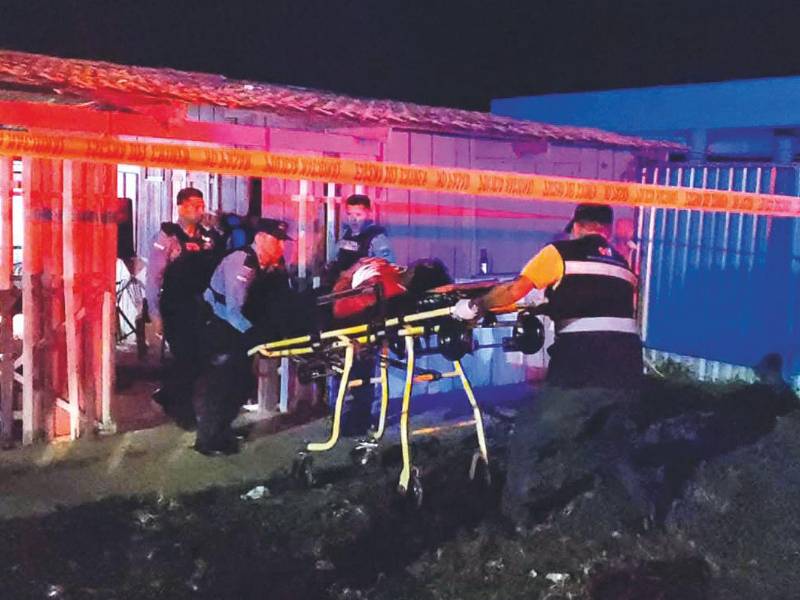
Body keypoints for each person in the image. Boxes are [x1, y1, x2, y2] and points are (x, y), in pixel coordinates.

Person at [453, 203, 646, 526]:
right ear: (608, 231)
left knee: (528, 433)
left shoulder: (559, 253)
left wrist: (475, 306)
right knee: (611, 446)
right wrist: (552, 305)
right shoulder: (623, 266)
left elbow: (515, 290)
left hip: (584, 369)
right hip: (628, 372)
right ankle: (644, 517)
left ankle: (517, 518)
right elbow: (599, 305)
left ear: (576, 226)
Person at [196, 218, 293, 455]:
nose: (281, 246)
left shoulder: (267, 264)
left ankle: (223, 430)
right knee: (221, 384)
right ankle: (208, 440)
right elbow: (233, 311)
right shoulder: (242, 262)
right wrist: (256, 336)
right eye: (276, 241)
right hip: (222, 326)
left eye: (283, 241)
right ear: (260, 239)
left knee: (239, 383)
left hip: (238, 329)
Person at [145, 187, 222, 428]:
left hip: (201, 307)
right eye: (195, 206)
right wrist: (155, 313)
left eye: (202, 206)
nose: (200, 211)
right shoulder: (167, 237)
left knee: (201, 359)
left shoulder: (207, 238)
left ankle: (167, 395)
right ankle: (183, 413)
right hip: (176, 307)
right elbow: (154, 277)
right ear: (181, 207)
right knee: (185, 357)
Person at [324, 194, 395, 436]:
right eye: (350, 214)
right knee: (340, 362)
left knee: (364, 364)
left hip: (364, 308)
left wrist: (358, 269)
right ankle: (339, 415)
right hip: (342, 305)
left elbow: (385, 267)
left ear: (368, 214)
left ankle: (362, 417)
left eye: (359, 214)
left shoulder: (377, 238)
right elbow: (333, 263)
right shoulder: (344, 236)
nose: (354, 219)